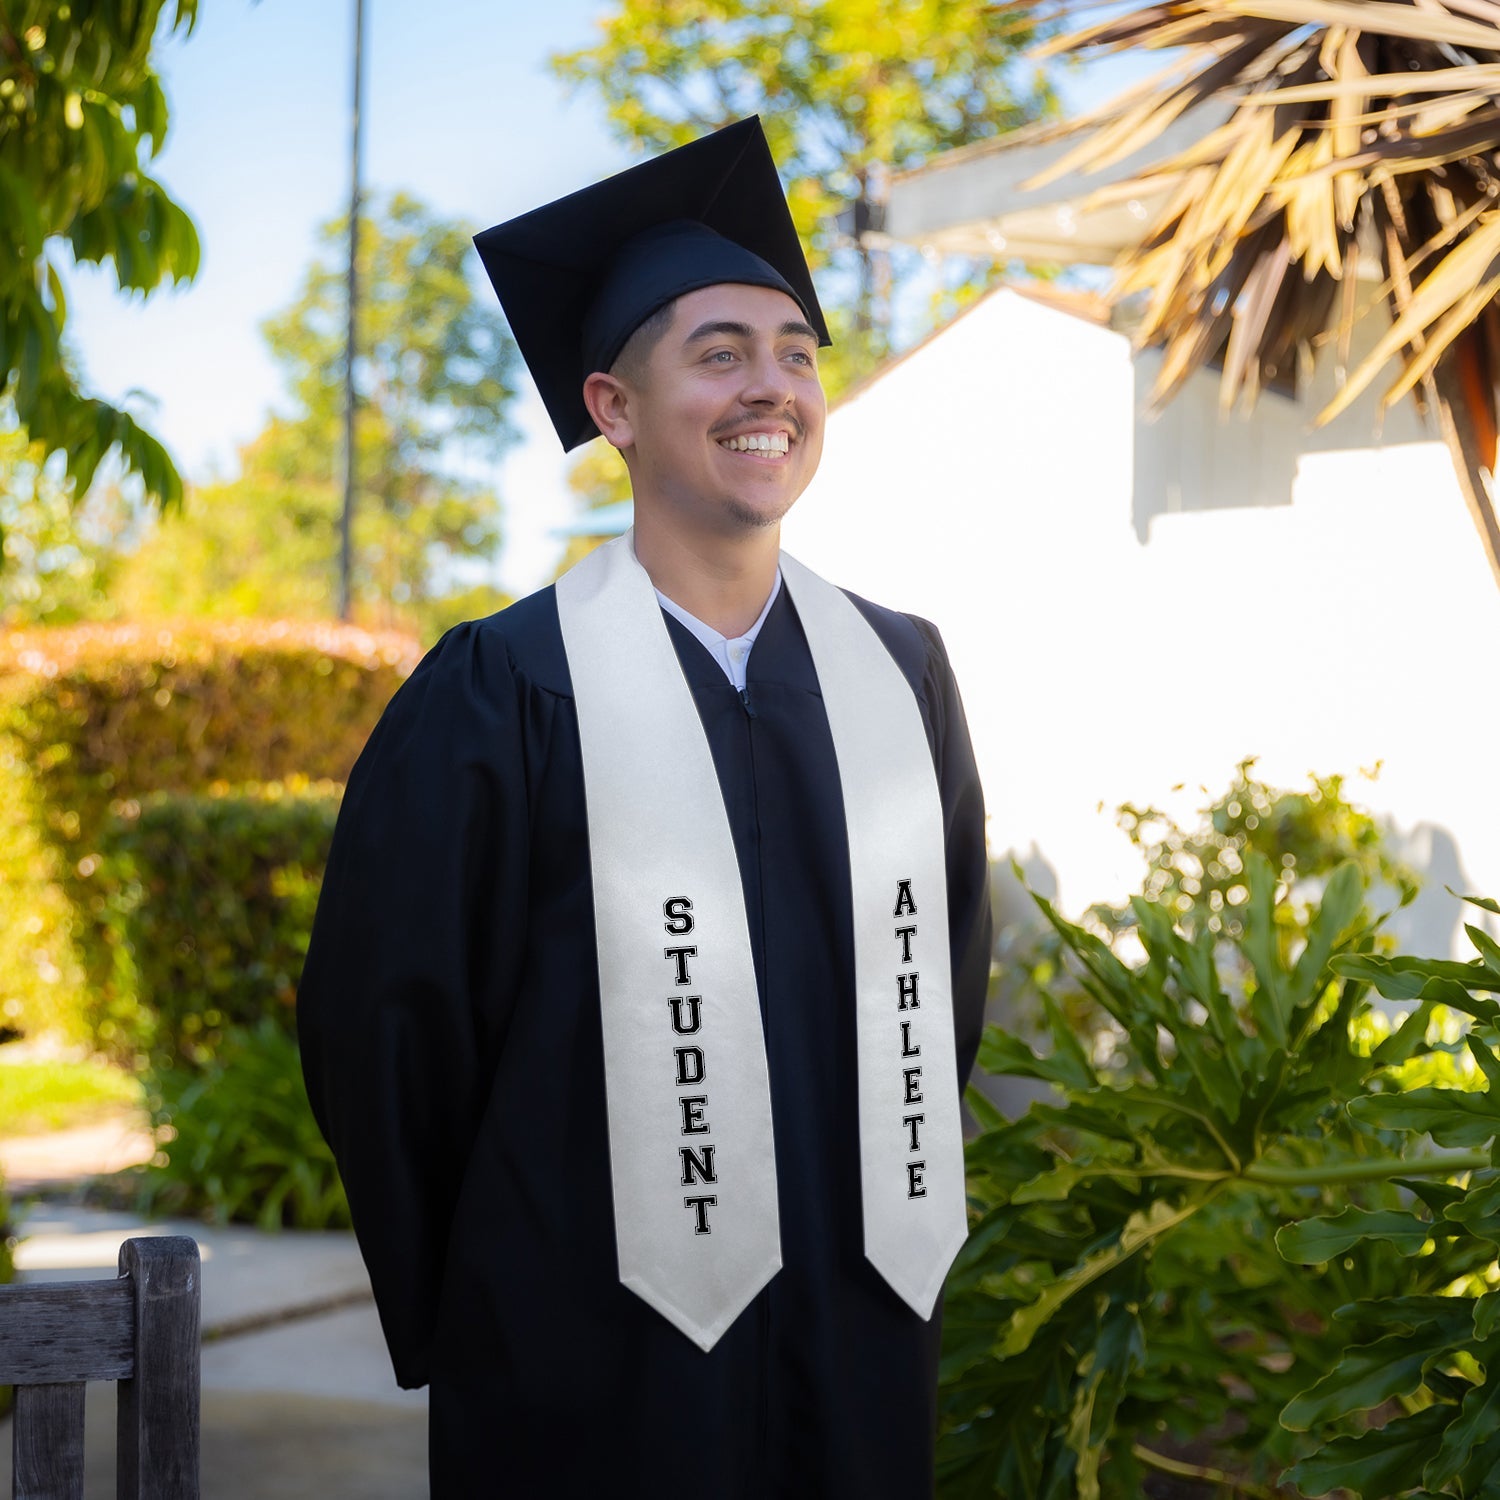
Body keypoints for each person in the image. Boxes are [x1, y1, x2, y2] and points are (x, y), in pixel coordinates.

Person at [297, 116, 992, 1500]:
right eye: (719, 352)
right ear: (613, 408)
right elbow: (391, 1029)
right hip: (582, 1363)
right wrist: (499, 1282)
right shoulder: (502, 686)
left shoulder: (899, 670)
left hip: (857, 1346)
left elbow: (948, 986)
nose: (773, 385)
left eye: (798, 351)